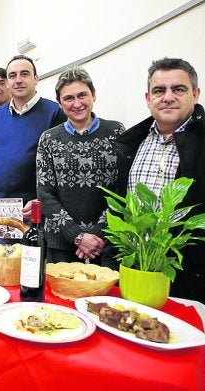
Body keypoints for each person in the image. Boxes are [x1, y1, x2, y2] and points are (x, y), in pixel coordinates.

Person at [110, 57, 205, 322]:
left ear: (195, 94)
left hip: (192, 284)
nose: (168, 97)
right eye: (159, 90)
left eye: (178, 89)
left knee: (180, 357)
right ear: (148, 98)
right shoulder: (130, 145)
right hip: (133, 275)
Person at [36, 67, 125, 263]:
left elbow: (121, 190)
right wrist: (77, 236)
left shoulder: (117, 132)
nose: (77, 103)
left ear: (93, 95)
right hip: (59, 244)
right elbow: (45, 193)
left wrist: (95, 235)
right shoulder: (49, 139)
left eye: (82, 95)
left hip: (106, 243)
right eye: (69, 98)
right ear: (60, 103)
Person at [0, 55, 66, 224]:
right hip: (2, 210)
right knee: (2, 251)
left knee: (33, 251)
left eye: (24, 74)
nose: (18, 80)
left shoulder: (54, 112)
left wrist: (43, 201)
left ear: (36, 79)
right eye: (12, 76)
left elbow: (64, 168)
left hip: (39, 211)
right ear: (8, 82)